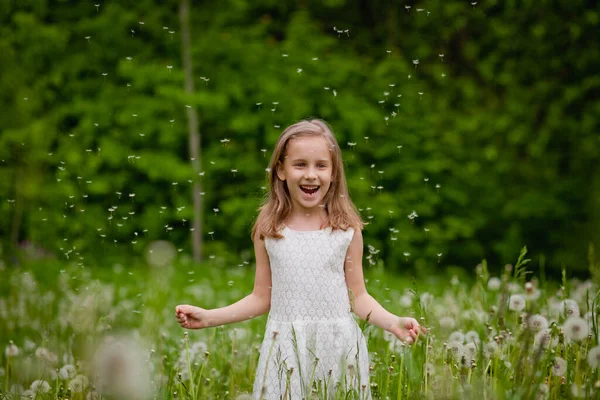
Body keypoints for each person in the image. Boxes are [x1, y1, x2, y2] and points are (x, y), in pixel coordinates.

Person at [176, 119, 425, 399]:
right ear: (281, 170)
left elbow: (359, 297)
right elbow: (261, 298)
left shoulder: (346, 230)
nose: (311, 175)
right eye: (300, 165)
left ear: (334, 173)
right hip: (285, 350)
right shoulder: (269, 230)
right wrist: (209, 318)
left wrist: (392, 322)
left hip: (339, 348)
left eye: (321, 165)